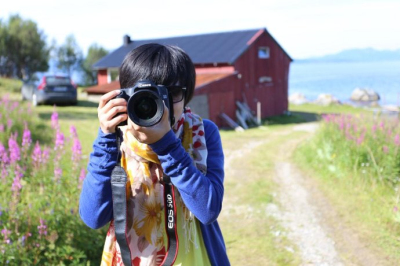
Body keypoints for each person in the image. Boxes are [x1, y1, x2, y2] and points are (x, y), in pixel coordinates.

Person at [79, 43, 230, 266]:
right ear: (125, 96)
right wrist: (105, 138)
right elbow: (93, 217)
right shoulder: (116, 138)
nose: (161, 103)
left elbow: (208, 210)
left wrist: (167, 145)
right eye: (147, 96)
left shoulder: (203, 133)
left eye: (172, 93)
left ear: (186, 94)